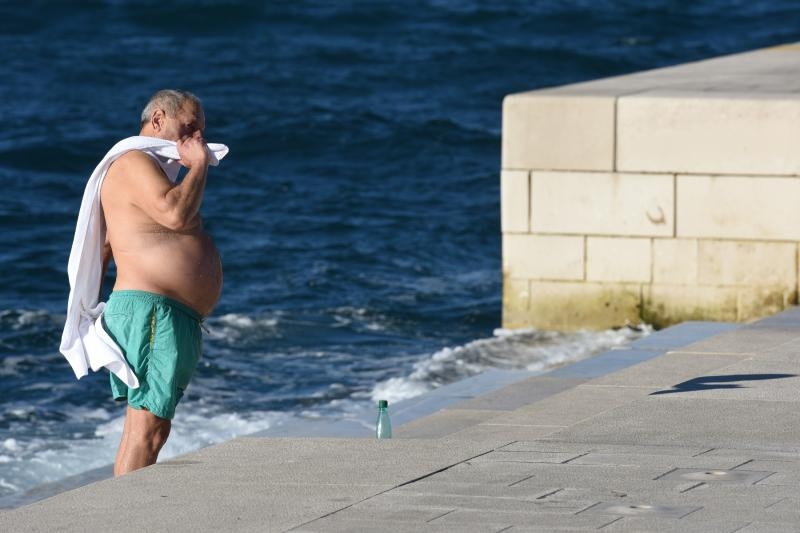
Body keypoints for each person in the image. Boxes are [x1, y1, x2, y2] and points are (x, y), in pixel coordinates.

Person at [99, 90, 223, 476]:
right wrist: (198, 167)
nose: (196, 139)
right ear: (157, 119)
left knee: (152, 426)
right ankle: (124, 518)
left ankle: (124, 514)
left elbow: (107, 240)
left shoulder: (153, 170)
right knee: (147, 427)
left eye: (201, 131)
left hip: (165, 313)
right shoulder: (134, 160)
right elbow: (174, 215)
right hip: (154, 309)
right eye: (188, 127)